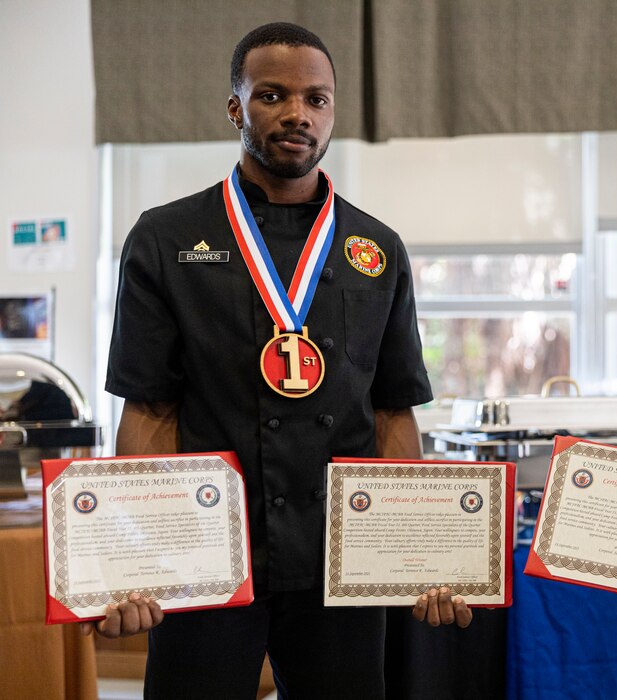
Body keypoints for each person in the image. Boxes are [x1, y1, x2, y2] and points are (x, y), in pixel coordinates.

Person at [92, 22, 469, 698]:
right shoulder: (165, 237)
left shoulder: (376, 250)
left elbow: (391, 411)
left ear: (333, 112)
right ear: (235, 106)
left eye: (316, 100)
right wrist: (138, 558)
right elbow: (149, 408)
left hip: (340, 563)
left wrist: (416, 550)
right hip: (209, 559)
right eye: (272, 95)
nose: (297, 114)